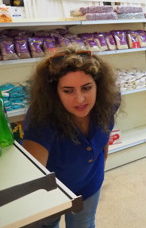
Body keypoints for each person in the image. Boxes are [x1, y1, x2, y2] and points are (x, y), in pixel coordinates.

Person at [22, 46, 121, 228]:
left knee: (84, 224)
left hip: (89, 185)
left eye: (87, 88)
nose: (80, 99)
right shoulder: (42, 119)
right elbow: (32, 175)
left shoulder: (108, 101)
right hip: (50, 193)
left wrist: (97, 168)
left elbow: (104, 136)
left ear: (99, 85)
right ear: (54, 93)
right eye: (68, 91)